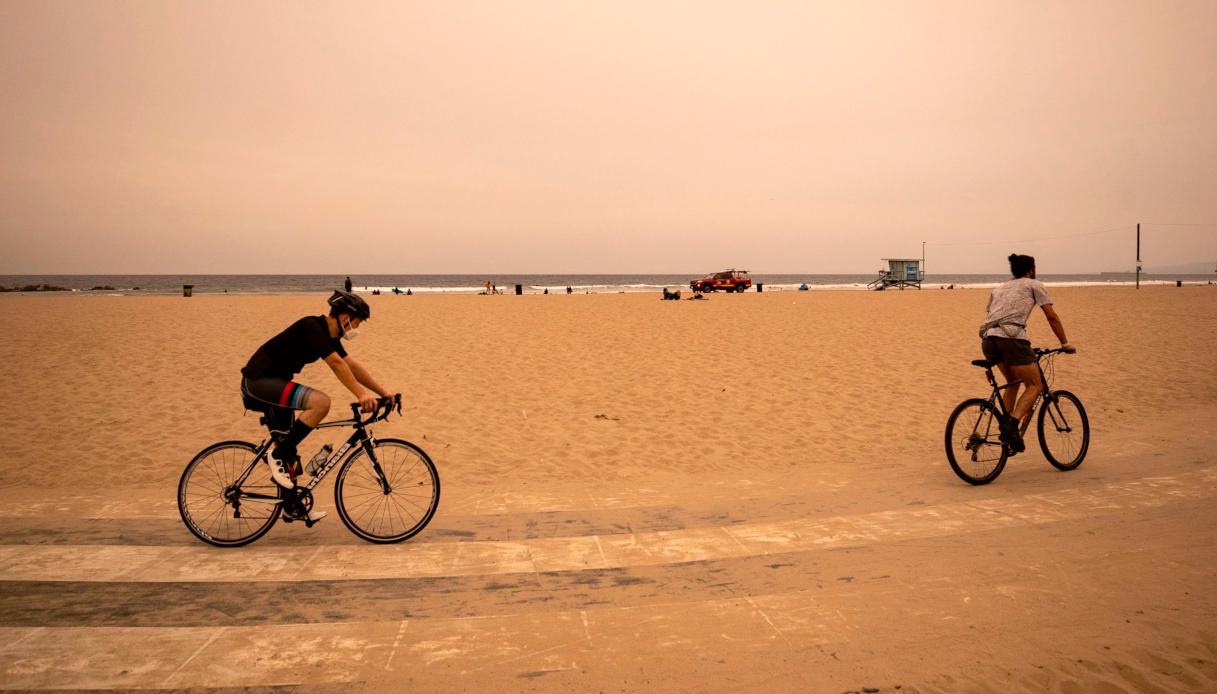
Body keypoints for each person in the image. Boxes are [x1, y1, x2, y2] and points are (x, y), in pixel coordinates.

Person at [239, 289, 391, 522]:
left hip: (276, 383)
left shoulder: (330, 337)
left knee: (290, 449)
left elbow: (352, 366)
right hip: (259, 381)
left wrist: (384, 393)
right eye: (357, 322)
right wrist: (361, 395)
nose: (356, 328)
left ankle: (292, 505)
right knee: (321, 403)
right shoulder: (313, 327)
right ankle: (276, 455)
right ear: (344, 318)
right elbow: (336, 364)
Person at [979, 254, 1076, 453]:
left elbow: (991, 313)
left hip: (989, 340)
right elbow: (1051, 316)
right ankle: (1012, 424)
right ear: (1031, 270)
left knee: (1013, 381)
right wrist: (1065, 343)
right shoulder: (1034, 284)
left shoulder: (999, 289)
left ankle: (1006, 427)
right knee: (1035, 385)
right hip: (1012, 338)